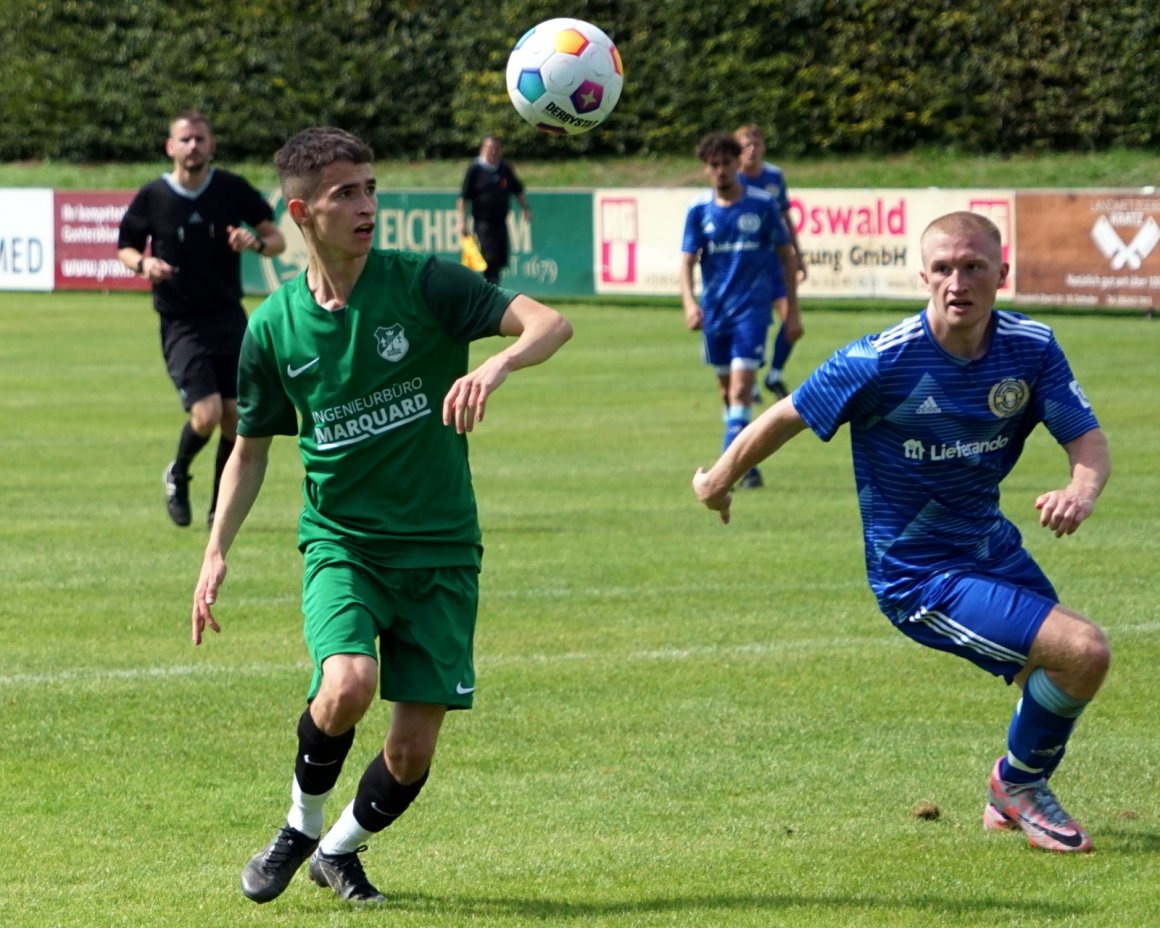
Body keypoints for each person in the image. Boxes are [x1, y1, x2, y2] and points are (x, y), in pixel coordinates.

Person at [191, 126, 571, 905]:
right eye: (346, 194)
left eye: (370, 188)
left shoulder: (426, 285)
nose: (367, 206)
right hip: (344, 544)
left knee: (410, 753)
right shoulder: (273, 328)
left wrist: (496, 364)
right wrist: (216, 550)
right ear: (303, 211)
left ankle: (337, 848)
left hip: (440, 548)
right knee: (348, 684)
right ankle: (298, 827)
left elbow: (549, 323)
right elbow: (252, 449)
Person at [693, 211, 1111, 853]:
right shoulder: (879, 360)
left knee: (1067, 672)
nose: (957, 281)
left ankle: (1012, 790)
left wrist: (1079, 492)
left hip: (991, 548)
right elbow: (786, 415)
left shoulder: (1031, 348)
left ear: (1003, 273)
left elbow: (1086, 441)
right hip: (919, 576)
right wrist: (718, 479)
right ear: (923, 275)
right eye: (943, 268)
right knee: (1081, 649)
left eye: (973, 267)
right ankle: (1021, 787)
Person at [118, 109, 286, 529]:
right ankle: (177, 471)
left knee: (235, 418)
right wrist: (143, 265)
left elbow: (277, 240)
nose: (193, 146)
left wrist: (255, 242)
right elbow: (125, 246)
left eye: (200, 139)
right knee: (208, 414)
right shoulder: (153, 196)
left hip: (228, 317)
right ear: (170, 147)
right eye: (185, 139)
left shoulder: (231, 189)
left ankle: (218, 508)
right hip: (181, 322)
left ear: (212, 145)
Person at [680, 132, 800, 491]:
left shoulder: (762, 205)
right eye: (714, 165)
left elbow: (786, 256)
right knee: (727, 394)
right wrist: (689, 302)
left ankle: (726, 467)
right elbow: (686, 262)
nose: (721, 171)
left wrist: (792, 310)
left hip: (753, 311)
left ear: (737, 164)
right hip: (715, 314)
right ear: (706, 169)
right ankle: (746, 464)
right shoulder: (699, 210)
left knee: (741, 391)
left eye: (727, 164)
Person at [735, 123, 806, 401]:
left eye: (756, 144)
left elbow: (786, 218)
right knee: (754, 324)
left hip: (777, 262)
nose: (751, 149)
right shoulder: (733, 180)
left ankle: (774, 375)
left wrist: (798, 254)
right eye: (745, 144)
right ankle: (748, 380)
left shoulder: (774, 177)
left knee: (792, 323)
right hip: (749, 267)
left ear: (763, 147)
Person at [456, 135, 531, 285]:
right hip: (483, 221)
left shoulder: (504, 168)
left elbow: (517, 190)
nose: (494, 152)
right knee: (488, 255)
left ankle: (493, 286)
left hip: (501, 221)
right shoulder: (475, 169)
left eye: (497, 148)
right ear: (483, 149)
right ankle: (489, 286)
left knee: (499, 257)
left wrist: (525, 208)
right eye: (490, 148)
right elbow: (463, 199)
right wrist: (461, 222)